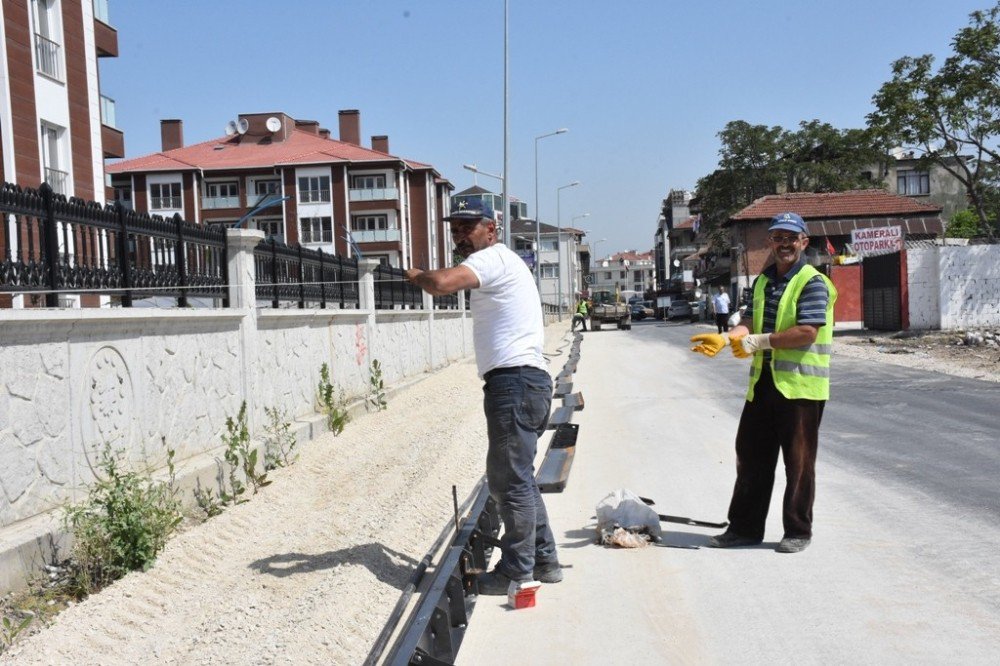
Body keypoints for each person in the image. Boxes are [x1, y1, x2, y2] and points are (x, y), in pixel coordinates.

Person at [404, 198, 562, 593]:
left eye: (467, 227)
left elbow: (441, 285)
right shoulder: (502, 263)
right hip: (523, 381)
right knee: (518, 479)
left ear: (491, 230)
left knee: (509, 482)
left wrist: (418, 275)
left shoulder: (493, 259)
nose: (459, 235)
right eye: (455, 228)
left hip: (515, 382)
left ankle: (516, 570)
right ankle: (544, 560)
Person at [689, 212, 837, 554]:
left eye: (791, 238)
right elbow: (752, 321)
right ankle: (744, 528)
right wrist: (728, 339)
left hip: (800, 389)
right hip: (764, 385)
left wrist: (760, 342)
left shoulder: (813, 282)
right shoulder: (764, 282)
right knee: (751, 457)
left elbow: (806, 332)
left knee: (798, 463)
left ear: (803, 242)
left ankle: (798, 530)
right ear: (769, 242)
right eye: (777, 238)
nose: (784, 244)